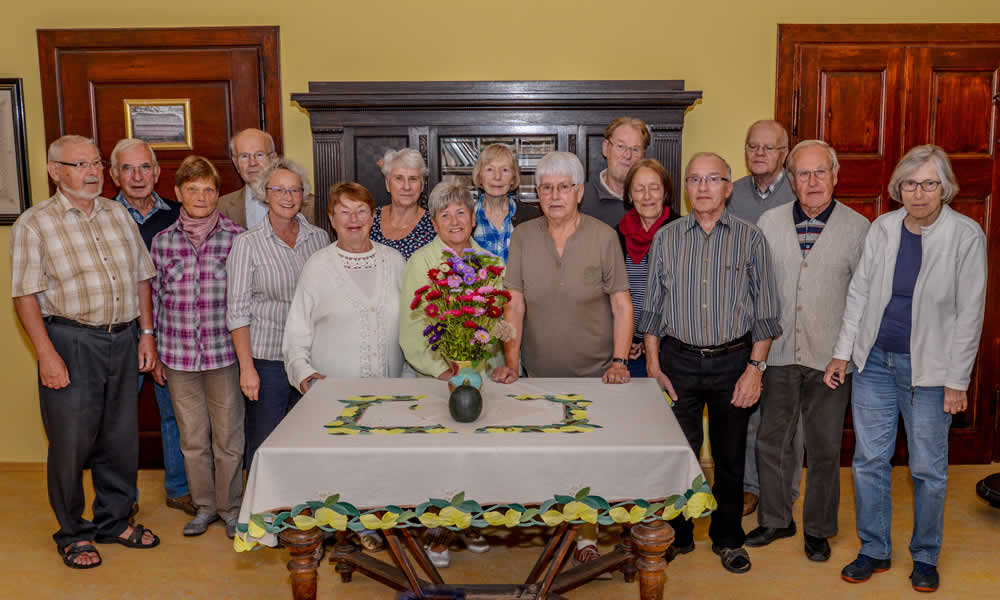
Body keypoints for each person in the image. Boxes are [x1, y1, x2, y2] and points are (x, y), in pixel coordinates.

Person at [825, 145, 986, 593]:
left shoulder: (966, 235)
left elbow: (970, 314)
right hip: (875, 362)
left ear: (945, 188)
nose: (919, 193)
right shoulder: (883, 228)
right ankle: (874, 549)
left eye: (929, 184)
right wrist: (842, 353)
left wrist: (957, 381)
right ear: (899, 188)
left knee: (927, 469)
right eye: (910, 184)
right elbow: (859, 295)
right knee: (869, 460)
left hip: (930, 372)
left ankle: (925, 555)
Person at [11, 135, 160, 569]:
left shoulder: (117, 214)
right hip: (70, 342)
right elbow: (24, 296)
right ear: (54, 171)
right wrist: (46, 354)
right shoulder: (35, 223)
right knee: (71, 443)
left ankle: (114, 521)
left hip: (124, 338)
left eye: (95, 163)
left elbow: (141, 278)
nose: (92, 172)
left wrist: (146, 333)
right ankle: (73, 533)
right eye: (80, 165)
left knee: (120, 439)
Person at [639, 152, 781, 574]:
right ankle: (677, 535)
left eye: (712, 179)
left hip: (733, 363)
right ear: (686, 187)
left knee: (730, 457)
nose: (703, 187)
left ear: (728, 187)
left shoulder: (751, 239)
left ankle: (728, 537)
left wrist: (755, 370)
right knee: (677, 454)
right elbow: (652, 309)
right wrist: (653, 365)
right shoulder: (666, 238)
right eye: (695, 179)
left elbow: (766, 314)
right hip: (676, 361)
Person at [493, 151, 634, 571]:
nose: (555, 195)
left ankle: (586, 536)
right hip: (539, 373)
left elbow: (621, 304)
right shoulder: (523, 236)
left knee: (587, 458)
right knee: (548, 456)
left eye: (563, 187)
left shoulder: (603, 236)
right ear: (537, 193)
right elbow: (514, 304)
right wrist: (512, 363)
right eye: (547, 188)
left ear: (579, 192)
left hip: (596, 375)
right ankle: (556, 528)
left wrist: (619, 360)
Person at [747, 141, 870, 563]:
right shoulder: (769, 222)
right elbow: (756, 288)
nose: (813, 181)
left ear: (835, 176)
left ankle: (818, 529)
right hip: (778, 353)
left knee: (824, 448)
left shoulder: (859, 228)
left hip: (831, 359)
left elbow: (864, 298)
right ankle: (775, 518)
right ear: (792, 179)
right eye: (803, 173)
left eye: (821, 172)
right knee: (772, 441)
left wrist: (845, 353)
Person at [151, 155, 246, 539]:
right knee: (192, 439)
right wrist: (156, 352)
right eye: (193, 189)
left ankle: (231, 508)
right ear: (178, 193)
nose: (201, 197)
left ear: (217, 193)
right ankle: (204, 506)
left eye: (208, 189)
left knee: (228, 438)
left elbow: (246, 300)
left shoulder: (237, 238)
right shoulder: (162, 242)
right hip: (178, 356)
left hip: (224, 355)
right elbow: (155, 299)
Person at [109, 138, 195, 517]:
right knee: (119, 420)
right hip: (120, 332)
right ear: (114, 175)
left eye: (145, 167)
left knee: (175, 413)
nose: (137, 176)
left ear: (157, 172)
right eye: (127, 168)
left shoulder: (179, 215)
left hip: (172, 332)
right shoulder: (103, 217)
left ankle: (179, 489)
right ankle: (122, 497)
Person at [227, 158, 329, 469]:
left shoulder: (319, 239)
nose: (288, 197)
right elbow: (237, 312)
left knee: (309, 443)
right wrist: (247, 368)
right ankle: (261, 501)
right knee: (265, 446)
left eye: (294, 190)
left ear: (303, 195)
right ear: (264, 194)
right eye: (279, 190)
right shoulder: (247, 244)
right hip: (267, 362)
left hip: (310, 359)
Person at [727, 119, 800, 517]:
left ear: (784, 154)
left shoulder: (799, 191)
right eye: (752, 146)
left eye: (768, 148)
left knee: (787, 414)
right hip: (742, 321)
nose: (758, 153)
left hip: (788, 320)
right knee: (749, 409)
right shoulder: (732, 193)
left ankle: (785, 489)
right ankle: (750, 486)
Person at [283, 181, 406, 391]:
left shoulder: (395, 261)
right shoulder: (317, 266)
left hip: (392, 393)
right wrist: (303, 373)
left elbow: (412, 327)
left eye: (361, 211)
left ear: (373, 217)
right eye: (345, 212)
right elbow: (296, 333)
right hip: (332, 395)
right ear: (332, 219)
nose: (353, 219)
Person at [400, 179, 504, 379]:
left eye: (461, 213)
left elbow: (505, 322)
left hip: (490, 377)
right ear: (434, 225)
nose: (454, 222)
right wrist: (445, 372)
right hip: (439, 379)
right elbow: (412, 330)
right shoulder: (421, 262)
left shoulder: (494, 264)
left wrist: (507, 366)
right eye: (445, 215)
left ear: (473, 219)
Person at [616, 158, 679, 379]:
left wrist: (653, 341)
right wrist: (626, 342)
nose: (647, 196)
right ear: (629, 195)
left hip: (673, 348)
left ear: (665, 192)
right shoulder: (617, 235)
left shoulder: (682, 233)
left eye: (654, 188)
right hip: (629, 349)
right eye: (639, 189)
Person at [217, 128, 316, 228]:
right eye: (244, 156)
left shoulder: (310, 205)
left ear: (273, 158)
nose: (252, 163)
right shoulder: (221, 206)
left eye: (259, 155)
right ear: (236, 163)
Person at [470, 143, 541, 261]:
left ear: (513, 178)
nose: (497, 176)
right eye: (490, 169)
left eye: (505, 170)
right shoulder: (465, 218)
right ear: (480, 176)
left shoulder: (533, 217)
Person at [579, 116, 653, 227]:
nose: (627, 155)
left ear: (643, 156)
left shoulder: (651, 201)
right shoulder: (580, 199)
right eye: (620, 146)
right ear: (606, 148)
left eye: (635, 149)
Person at [369, 148, 436, 259]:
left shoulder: (434, 226)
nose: (406, 187)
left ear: (422, 185)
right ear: (387, 184)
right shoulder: (370, 219)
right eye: (399, 178)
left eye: (413, 179)